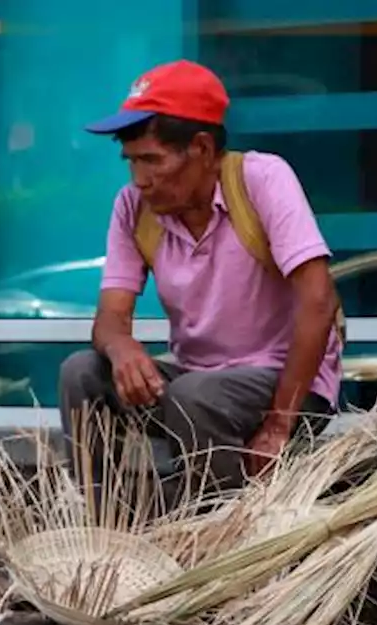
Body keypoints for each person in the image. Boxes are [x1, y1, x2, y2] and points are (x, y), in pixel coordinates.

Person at [58, 60, 342, 497]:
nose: (140, 179)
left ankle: (222, 539)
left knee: (195, 397)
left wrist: (279, 425)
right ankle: (101, 527)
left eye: (152, 160)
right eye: (131, 161)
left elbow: (319, 302)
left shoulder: (262, 179)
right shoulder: (132, 207)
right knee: (81, 372)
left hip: (286, 386)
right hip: (193, 385)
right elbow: (109, 319)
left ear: (203, 149)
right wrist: (123, 348)